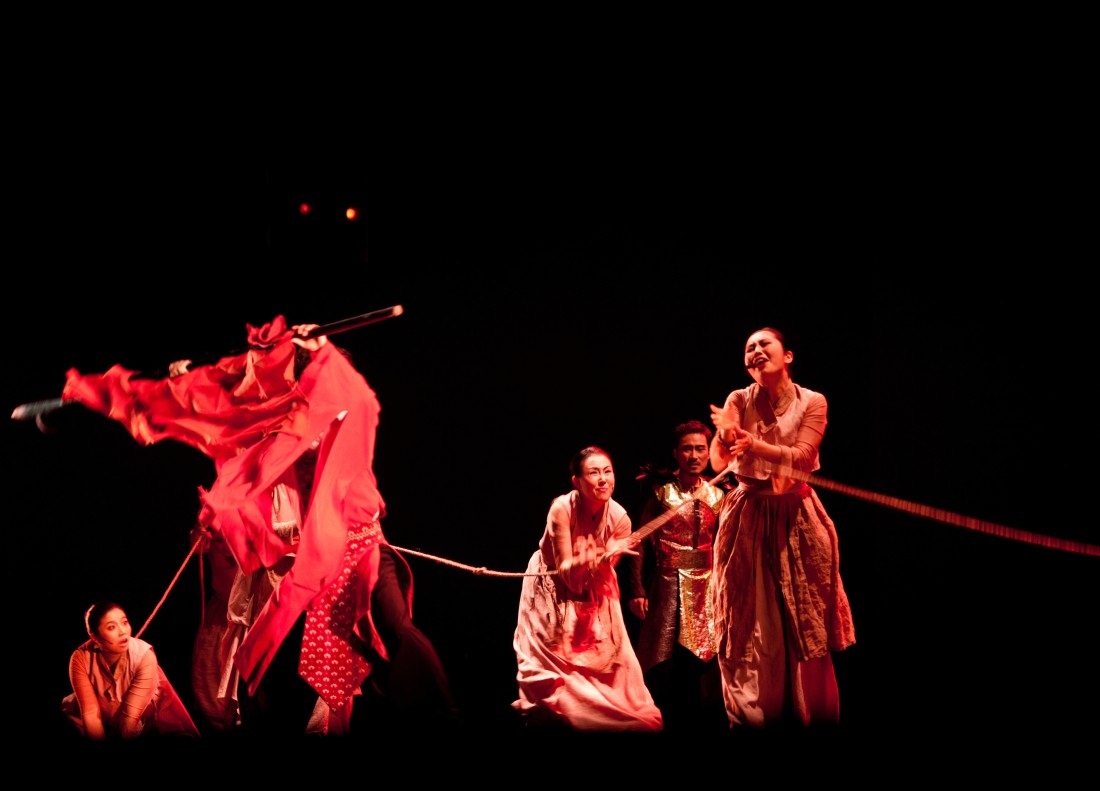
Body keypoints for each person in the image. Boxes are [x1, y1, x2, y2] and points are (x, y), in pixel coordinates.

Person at [61, 315, 462, 737]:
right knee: (271, 660)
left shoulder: (348, 415)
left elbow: (352, 395)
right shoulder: (287, 425)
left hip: (359, 551)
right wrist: (185, 381)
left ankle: (444, 719)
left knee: (391, 628)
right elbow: (231, 414)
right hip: (310, 567)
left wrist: (321, 349)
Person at [708, 327, 856, 729]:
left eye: (764, 344)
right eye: (749, 347)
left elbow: (803, 456)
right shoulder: (739, 399)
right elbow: (718, 462)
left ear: (787, 356)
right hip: (748, 516)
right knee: (749, 618)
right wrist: (725, 435)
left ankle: (810, 714)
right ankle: (753, 717)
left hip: (796, 517)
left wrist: (752, 445)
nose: (756, 350)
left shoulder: (813, 401)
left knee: (802, 617)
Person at [512, 446, 663, 732]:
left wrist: (605, 557)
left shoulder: (620, 519)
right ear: (577, 481)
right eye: (594, 473)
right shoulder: (561, 509)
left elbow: (598, 574)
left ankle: (613, 712)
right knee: (550, 665)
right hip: (550, 585)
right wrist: (594, 555)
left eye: (608, 472)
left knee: (612, 660)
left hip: (594, 588)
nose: (603, 479)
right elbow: (566, 573)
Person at [623, 420, 727, 732]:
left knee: (704, 663)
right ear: (676, 453)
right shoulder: (660, 490)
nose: (694, 455)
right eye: (687, 449)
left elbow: (725, 546)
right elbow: (639, 540)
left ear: (709, 453)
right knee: (663, 663)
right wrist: (636, 589)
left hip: (707, 589)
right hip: (666, 585)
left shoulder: (719, 494)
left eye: (700, 449)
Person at [62, 600, 201, 740]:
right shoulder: (80, 658)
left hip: (142, 723)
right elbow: (90, 712)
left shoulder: (144, 657)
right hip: (99, 720)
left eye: (124, 622)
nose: (123, 631)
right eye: (111, 627)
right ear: (95, 637)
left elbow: (129, 719)